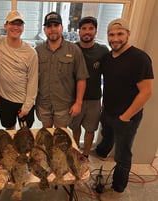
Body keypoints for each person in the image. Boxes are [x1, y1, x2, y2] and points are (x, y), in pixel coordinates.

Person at [94, 18, 154, 201]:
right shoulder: (107, 58)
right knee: (107, 137)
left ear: (128, 34)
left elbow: (146, 92)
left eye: (120, 34)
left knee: (123, 154)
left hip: (127, 117)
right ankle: (101, 154)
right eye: (111, 34)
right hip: (108, 111)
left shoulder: (140, 58)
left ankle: (118, 189)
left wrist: (125, 117)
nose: (115, 38)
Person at [35, 12, 89, 128]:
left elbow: (81, 78)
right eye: (49, 26)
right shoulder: (37, 51)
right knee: (47, 134)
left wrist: (78, 103)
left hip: (64, 105)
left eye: (56, 25)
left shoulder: (74, 50)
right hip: (44, 103)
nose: (53, 29)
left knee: (61, 136)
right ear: (44, 30)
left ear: (62, 28)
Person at [68, 16, 109, 158]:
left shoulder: (103, 51)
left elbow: (109, 77)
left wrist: (105, 102)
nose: (87, 32)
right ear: (79, 31)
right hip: (74, 99)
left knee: (90, 129)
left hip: (94, 99)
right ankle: (75, 152)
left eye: (91, 28)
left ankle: (85, 155)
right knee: (75, 127)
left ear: (96, 31)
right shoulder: (72, 49)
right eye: (84, 28)